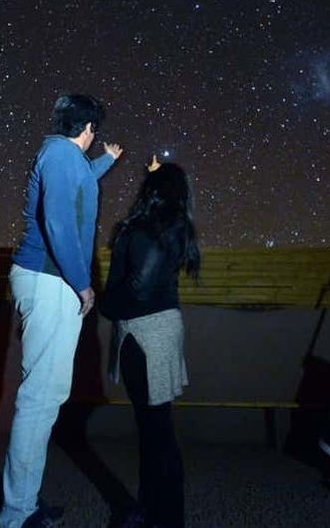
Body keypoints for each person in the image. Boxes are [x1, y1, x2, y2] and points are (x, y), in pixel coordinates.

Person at [0, 94, 123, 528]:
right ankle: (16, 515)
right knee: (39, 400)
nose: (96, 139)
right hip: (53, 279)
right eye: (96, 132)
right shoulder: (59, 154)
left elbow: (77, 186)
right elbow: (57, 221)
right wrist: (82, 281)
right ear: (87, 128)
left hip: (52, 279)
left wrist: (104, 163)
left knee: (47, 396)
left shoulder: (65, 158)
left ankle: (24, 505)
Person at [100, 155, 200, 528]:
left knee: (156, 430)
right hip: (155, 331)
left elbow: (138, 287)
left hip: (146, 334)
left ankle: (163, 516)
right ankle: (155, 510)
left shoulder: (154, 227)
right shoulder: (170, 225)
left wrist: (103, 303)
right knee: (155, 427)